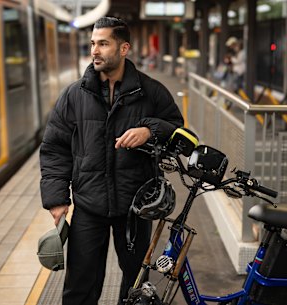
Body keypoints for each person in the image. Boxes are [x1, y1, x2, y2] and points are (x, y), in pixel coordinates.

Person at [39, 17, 184, 305]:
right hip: (88, 207)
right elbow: (55, 149)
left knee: (136, 285)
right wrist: (57, 199)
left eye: (103, 43)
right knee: (80, 285)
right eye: (93, 43)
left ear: (123, 48)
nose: (95, 50)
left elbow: (178, 131)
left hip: (135, 208)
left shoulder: (151, 92)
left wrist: (149, 130)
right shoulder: (74, 95)